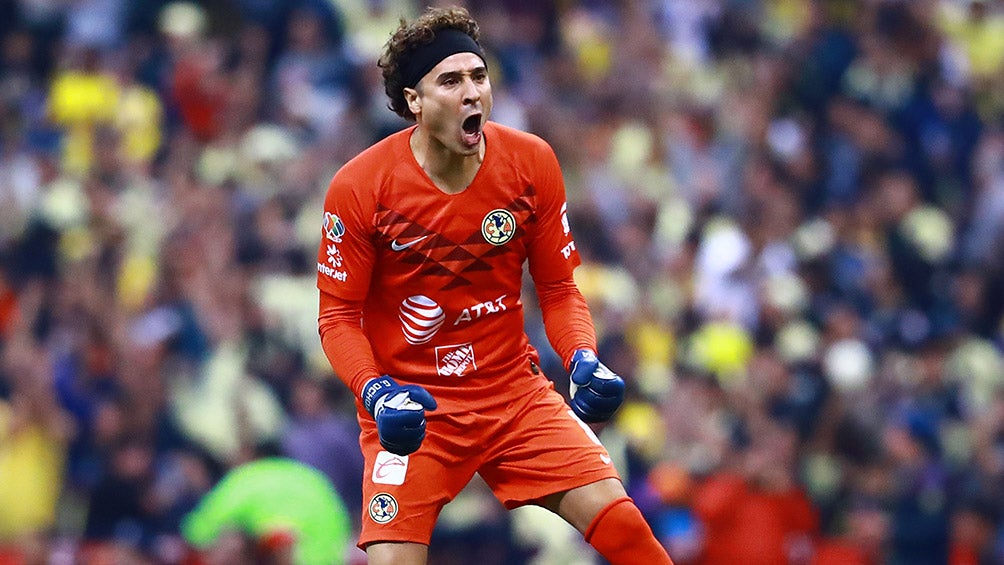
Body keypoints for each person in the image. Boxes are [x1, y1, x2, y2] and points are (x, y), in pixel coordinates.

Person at [315, 6, 673, 564]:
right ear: (414, 101)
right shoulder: (361, 187)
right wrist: (375, 391)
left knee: (627, 529)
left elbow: (558, 289)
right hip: (415, 409)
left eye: (479, 76)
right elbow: (337, 319)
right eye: (450, 81)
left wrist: (582, 357)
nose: (472, 92)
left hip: (513, 394)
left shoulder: (531, 162)